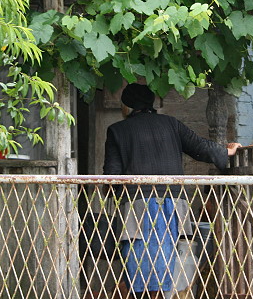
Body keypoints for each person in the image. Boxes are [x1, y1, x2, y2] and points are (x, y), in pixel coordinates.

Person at [103, 83, 241, 299]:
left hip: (138, 205)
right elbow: (200, 147)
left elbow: (111, 175)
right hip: (172, 202)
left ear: (127, 106)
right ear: (151, 102)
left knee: (139, 259)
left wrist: (114, 195)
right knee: (166, 257)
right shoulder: (171, 124)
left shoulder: (117, 131)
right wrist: (225, 150)